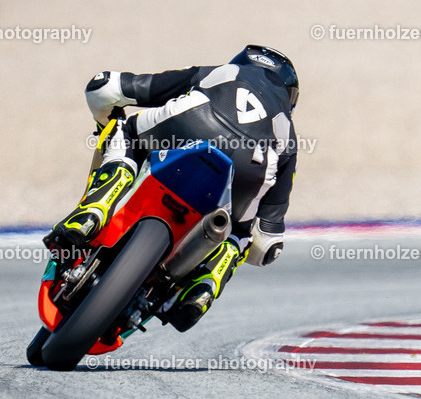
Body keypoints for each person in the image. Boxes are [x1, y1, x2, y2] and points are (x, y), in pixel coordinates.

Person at [44, 45, 299, 331]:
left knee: (126, 133)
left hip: (193, 122)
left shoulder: (219, 72)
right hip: (253, 164)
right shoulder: (288, 133)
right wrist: (250, 239)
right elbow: (267, 243)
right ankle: (207, 283)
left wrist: (103, 122)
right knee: (239, 235)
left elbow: (106, 88)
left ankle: (95, 208)